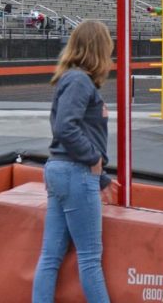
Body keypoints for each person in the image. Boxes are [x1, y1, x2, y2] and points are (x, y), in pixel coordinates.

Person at [32, 20, 113, 303]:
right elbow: (66, 127)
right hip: (74, 172)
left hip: (64, 171)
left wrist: (100, 176)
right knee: (90, 258)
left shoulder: (74, 80)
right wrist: (93, 161)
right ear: (99, 49)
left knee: (51, 255)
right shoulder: (79, 81)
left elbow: (73, 128)